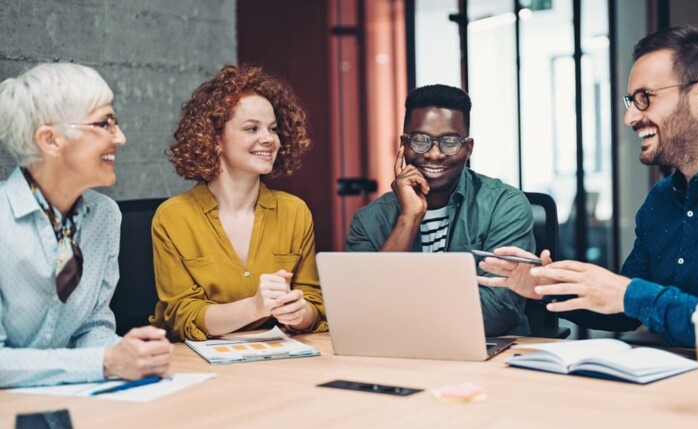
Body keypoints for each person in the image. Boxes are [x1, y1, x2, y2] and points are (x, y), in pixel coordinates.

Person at [478, 26, 698, 365]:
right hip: (673, 384)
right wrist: (546, 285)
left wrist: (632, 294)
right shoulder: (661, 200)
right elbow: (624, 311)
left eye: (646, 98)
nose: (630, 116)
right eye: (631, 101)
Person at [0, 63, 172, 387]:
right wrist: (106, 361)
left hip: (74, 402)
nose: (120, 137)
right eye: (104, 123)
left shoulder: (105, 216)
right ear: (50, 140)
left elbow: (93, 327)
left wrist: (128, 354)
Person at [151, 64, 327, 341]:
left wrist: (300, 311)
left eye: (273, 128)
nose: (268, 139)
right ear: (215, 138)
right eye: (251, 128)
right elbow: (183, 314)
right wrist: (254, 307)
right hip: (198, 363)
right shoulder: (173, 217)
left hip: (282, 360)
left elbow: (314, 305)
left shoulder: (295, 212)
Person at [346, 84, 534, 336]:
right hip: (398, 354)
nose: (434, 154)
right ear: (404, 145)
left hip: (488, 353)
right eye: (421, 140)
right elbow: (362, 312)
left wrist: (399, 303)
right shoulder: (368, 221)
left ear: (468, 148)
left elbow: (497, 310)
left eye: (450, 142)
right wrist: (409, 218)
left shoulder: (505, 205)